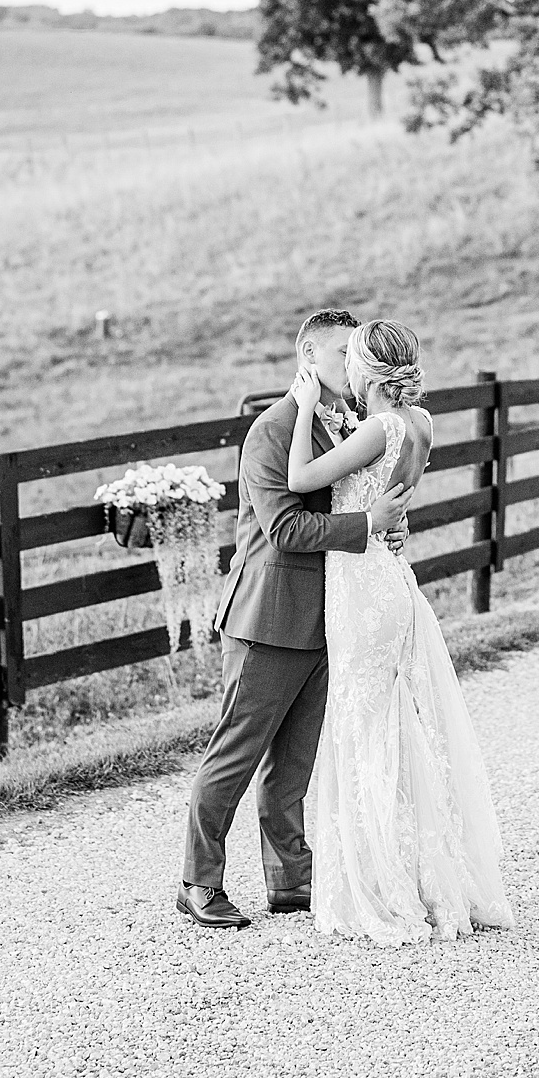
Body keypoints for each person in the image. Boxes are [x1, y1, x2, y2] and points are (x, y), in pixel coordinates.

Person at [178, 308, 411, 928]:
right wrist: (367, 527)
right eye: (343, 355)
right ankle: (198, 881)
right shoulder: (272, 432)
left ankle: (290, 877)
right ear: (309, 358)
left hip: (329, 617)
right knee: (235, 754)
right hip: (269, 619)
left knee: (295, 762)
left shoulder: (349, 424)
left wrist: (387, 522)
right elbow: (283, 529)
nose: (353, 366)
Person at [291, 318, 513, 943]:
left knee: (365, 730)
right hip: (391, 575)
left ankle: (384, 886)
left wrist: (307, 403)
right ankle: (423, 874)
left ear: (366, 370)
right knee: (397, 725)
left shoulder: (380, 426)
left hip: (361, 582)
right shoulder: (422, 424)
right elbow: (388, 496)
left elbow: (302, 481)